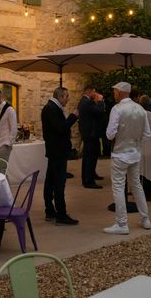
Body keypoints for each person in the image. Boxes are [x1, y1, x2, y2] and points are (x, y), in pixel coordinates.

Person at [103, 82, 151, 234]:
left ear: (120, 92)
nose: (114, 94)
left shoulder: (117, 109)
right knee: (136, 185)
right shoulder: (141, 109)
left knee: (118, 187)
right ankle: (145, 219)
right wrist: (136, 145)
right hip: (135, 153)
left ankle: (122, 224)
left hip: (120, 153)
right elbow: (147, 134)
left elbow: (110, 134)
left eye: (115, 91)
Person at [41, 87, 79, 225]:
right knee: (58, 182)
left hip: (55, 151)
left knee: (51, 180)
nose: (68, 99)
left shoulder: (51, 108)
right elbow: (61, 127)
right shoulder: (52, 109)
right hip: (57, 152)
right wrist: (73, 116)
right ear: (61, 96)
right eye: (67, 96)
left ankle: (50, 211)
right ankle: (61, 215)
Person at [78, 85, 105, 189]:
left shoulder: (84, 101)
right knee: (90, 158)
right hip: (90, 134)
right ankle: (88, 181)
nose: (96, 93)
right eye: (94, 91)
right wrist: (101, 101)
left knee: (90, 157)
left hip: (89, 133)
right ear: (89, 92)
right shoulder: (87, 102)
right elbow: (99, 112)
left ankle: (91, 174)